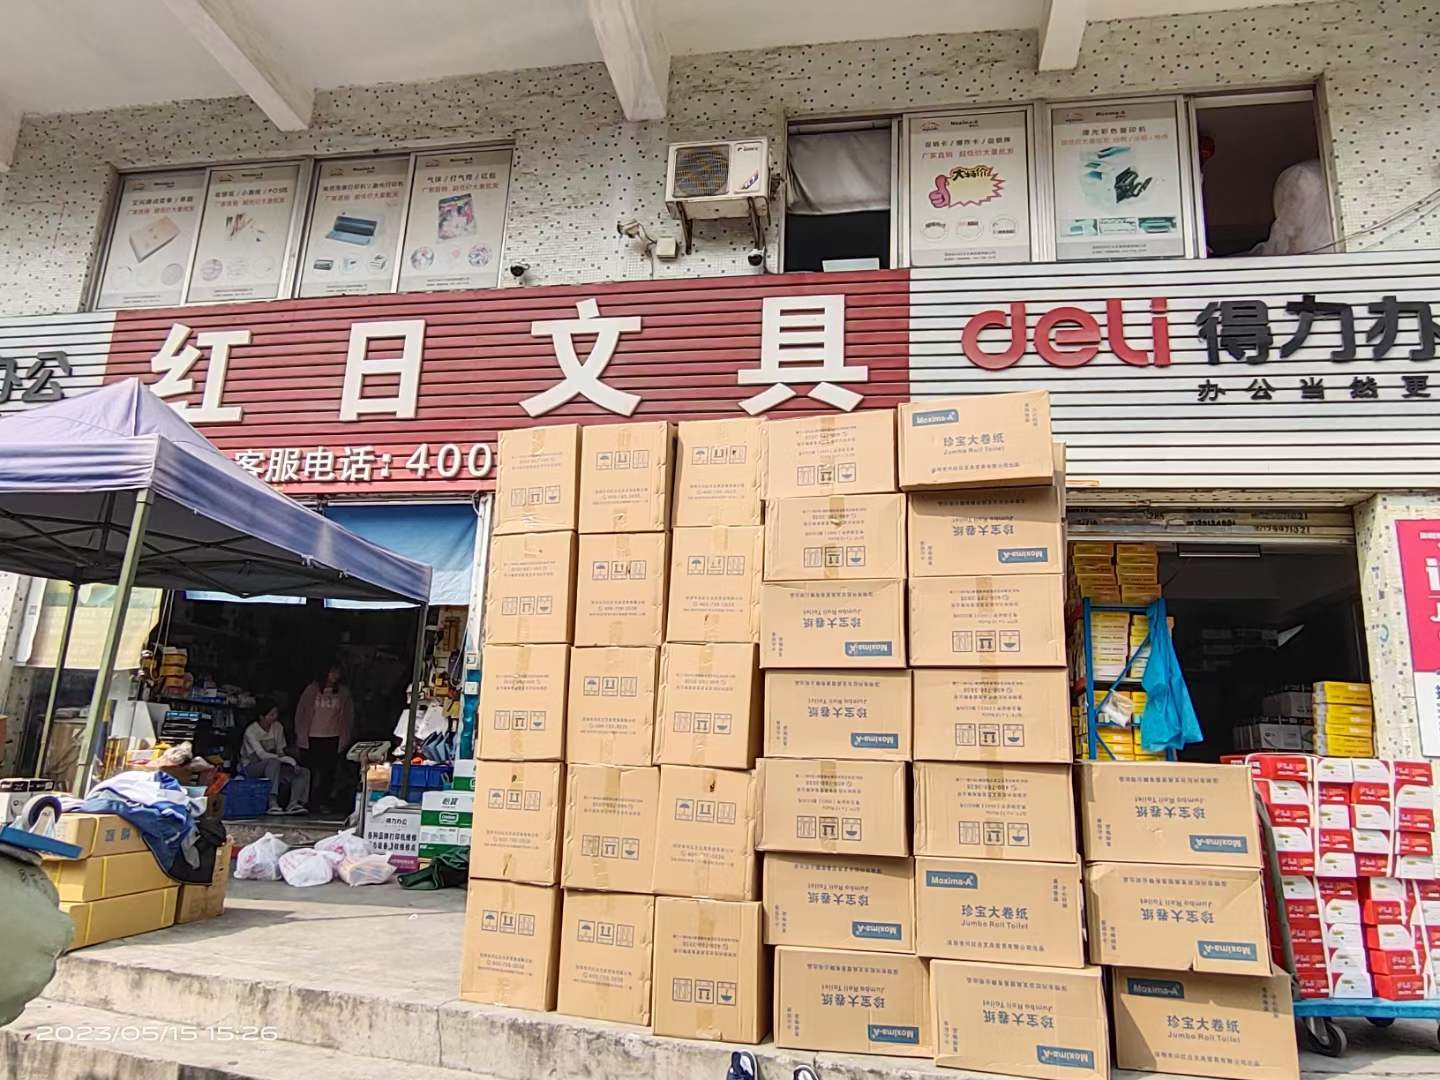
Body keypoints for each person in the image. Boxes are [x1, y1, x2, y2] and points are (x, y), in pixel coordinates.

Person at [295, 663, 354, 812]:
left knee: (328, 773)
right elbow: (301, 712)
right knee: (310, 772)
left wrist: (344, 738)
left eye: (337, 672)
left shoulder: (343, 693)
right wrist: (301, 735)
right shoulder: (311, 690)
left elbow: (347, 717)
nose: (335, 676)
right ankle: (306, 801)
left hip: (332, 737)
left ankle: (323, 802)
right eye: (332, 672)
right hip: (312, 737)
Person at [240, 701, 309, 816]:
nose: (274, 717)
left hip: (275, 767)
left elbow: (280, 751)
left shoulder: (278, 727)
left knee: (303, 771)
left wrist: (292, 763)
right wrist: (287, 760)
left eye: (276, 714)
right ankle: (272, 803)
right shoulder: (251, 731)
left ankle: (294, 804)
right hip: (252, 767)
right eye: (271, 714)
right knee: (273, 762)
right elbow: (260, 755)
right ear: (261, 717)